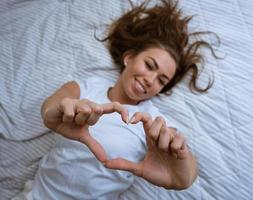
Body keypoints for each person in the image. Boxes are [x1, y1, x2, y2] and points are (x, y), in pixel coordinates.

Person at [19, 0, 217, 199]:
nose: (150, 80)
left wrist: (183, 175)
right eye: (149, 65)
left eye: (161, 80)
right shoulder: (85, 87)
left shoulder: (154, 124)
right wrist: (58, 112)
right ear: (129, 58)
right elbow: (51, 106)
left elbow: (187, 170)